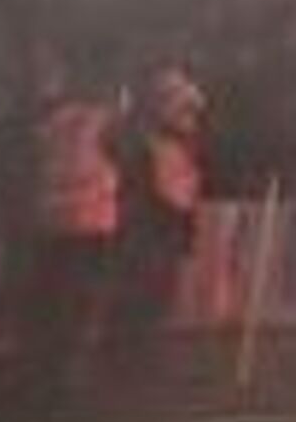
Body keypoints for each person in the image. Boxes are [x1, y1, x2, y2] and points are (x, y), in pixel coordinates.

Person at [22, 49, 124, 394]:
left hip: (51, 221)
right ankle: (67, 372)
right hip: (91, 223)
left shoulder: (51, 122)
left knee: (53, 298)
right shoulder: (103, 120)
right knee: (80, 300)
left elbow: (35, 160)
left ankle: (46, 369)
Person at [108, 62, 210, 377]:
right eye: (176, 102)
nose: (189, 114)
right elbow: (165, 190)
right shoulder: (146, 140)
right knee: (146, 293)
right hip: (148, 226)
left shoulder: (175, 141)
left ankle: (142, 357)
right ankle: (136, 360)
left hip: (165, 225)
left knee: (159, 293)